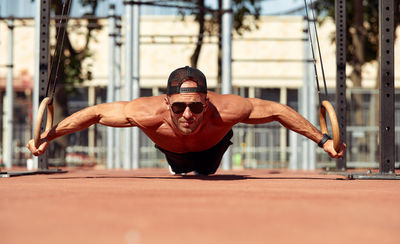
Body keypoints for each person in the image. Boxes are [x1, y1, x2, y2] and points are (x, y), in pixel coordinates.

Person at [27, 66, 346, 175]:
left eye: (196, 107)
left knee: (206, 171)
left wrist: (323, 140)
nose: (188, 115)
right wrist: (44, 137)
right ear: (166, 102)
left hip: (213, 150)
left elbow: (278, 110)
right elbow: (93, 114)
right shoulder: (145, 112)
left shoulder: (228, 109)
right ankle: (176, 162)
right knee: (181, 169)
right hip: (173, 151)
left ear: (208, 102)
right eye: (179, 108)